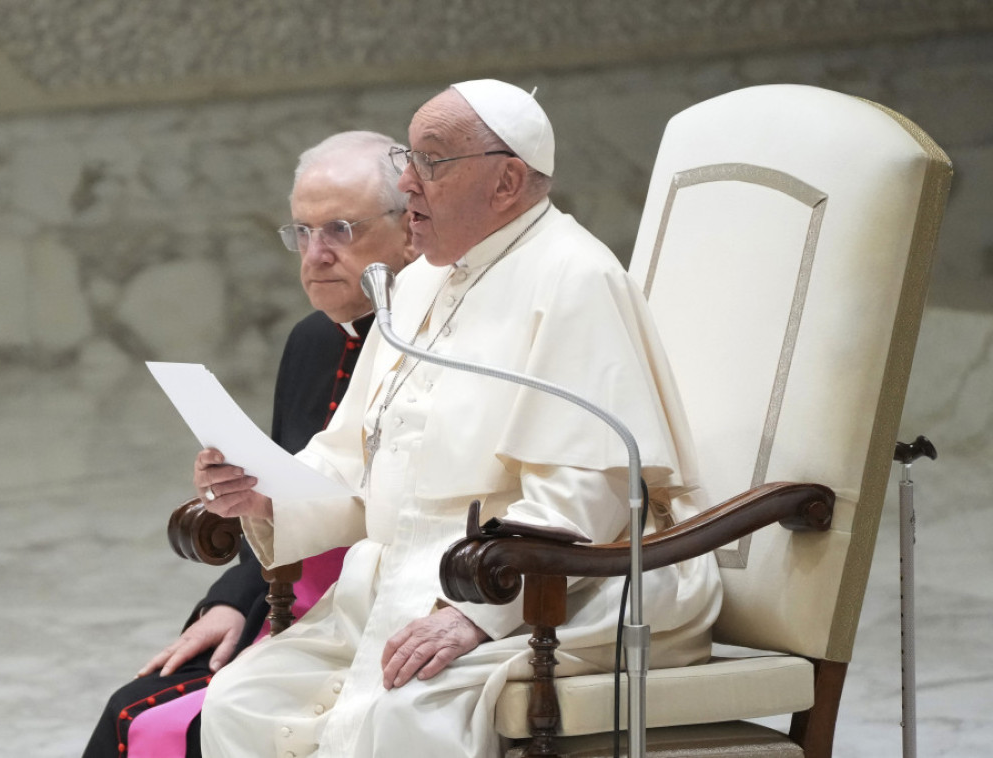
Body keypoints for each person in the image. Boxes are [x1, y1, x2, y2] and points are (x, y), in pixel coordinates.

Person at [197, 79, 722, 758]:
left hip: (548, 592)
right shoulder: (416, 283)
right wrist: (267, 492)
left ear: (506, 182)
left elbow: (586, 491)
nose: (407, 183)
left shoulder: (574, 279)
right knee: (242, 700)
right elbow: (351, 456)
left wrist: (476, 613)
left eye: (431, 162)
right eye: (407, 161)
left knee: (406, 719)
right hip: (390, 584)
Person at [83, 130, 417, 758]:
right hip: (286, 599)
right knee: (133, 707)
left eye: (340, 230)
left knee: (171, 722)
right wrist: (233, 599)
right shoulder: (312, 340)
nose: (314, 255)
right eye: (301, 232)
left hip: (380, 612)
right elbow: (281, 490)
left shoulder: (434, 347)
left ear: (411, 226)